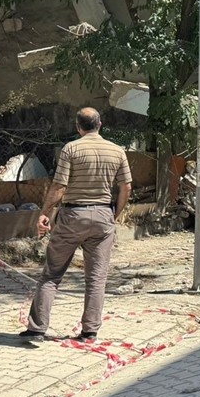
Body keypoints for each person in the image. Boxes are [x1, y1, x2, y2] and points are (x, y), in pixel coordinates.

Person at [20, 107, 132, 344]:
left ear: (78, 127)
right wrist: (114, 215)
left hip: (72, 216)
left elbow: (59, 187)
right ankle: (90, 331)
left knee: (52, 274)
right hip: (103, 216)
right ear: (100, 124)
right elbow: (126, 187)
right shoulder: (117, 151)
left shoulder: (71, 149)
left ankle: (37, 328)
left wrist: (44, 213)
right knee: (96, 278)